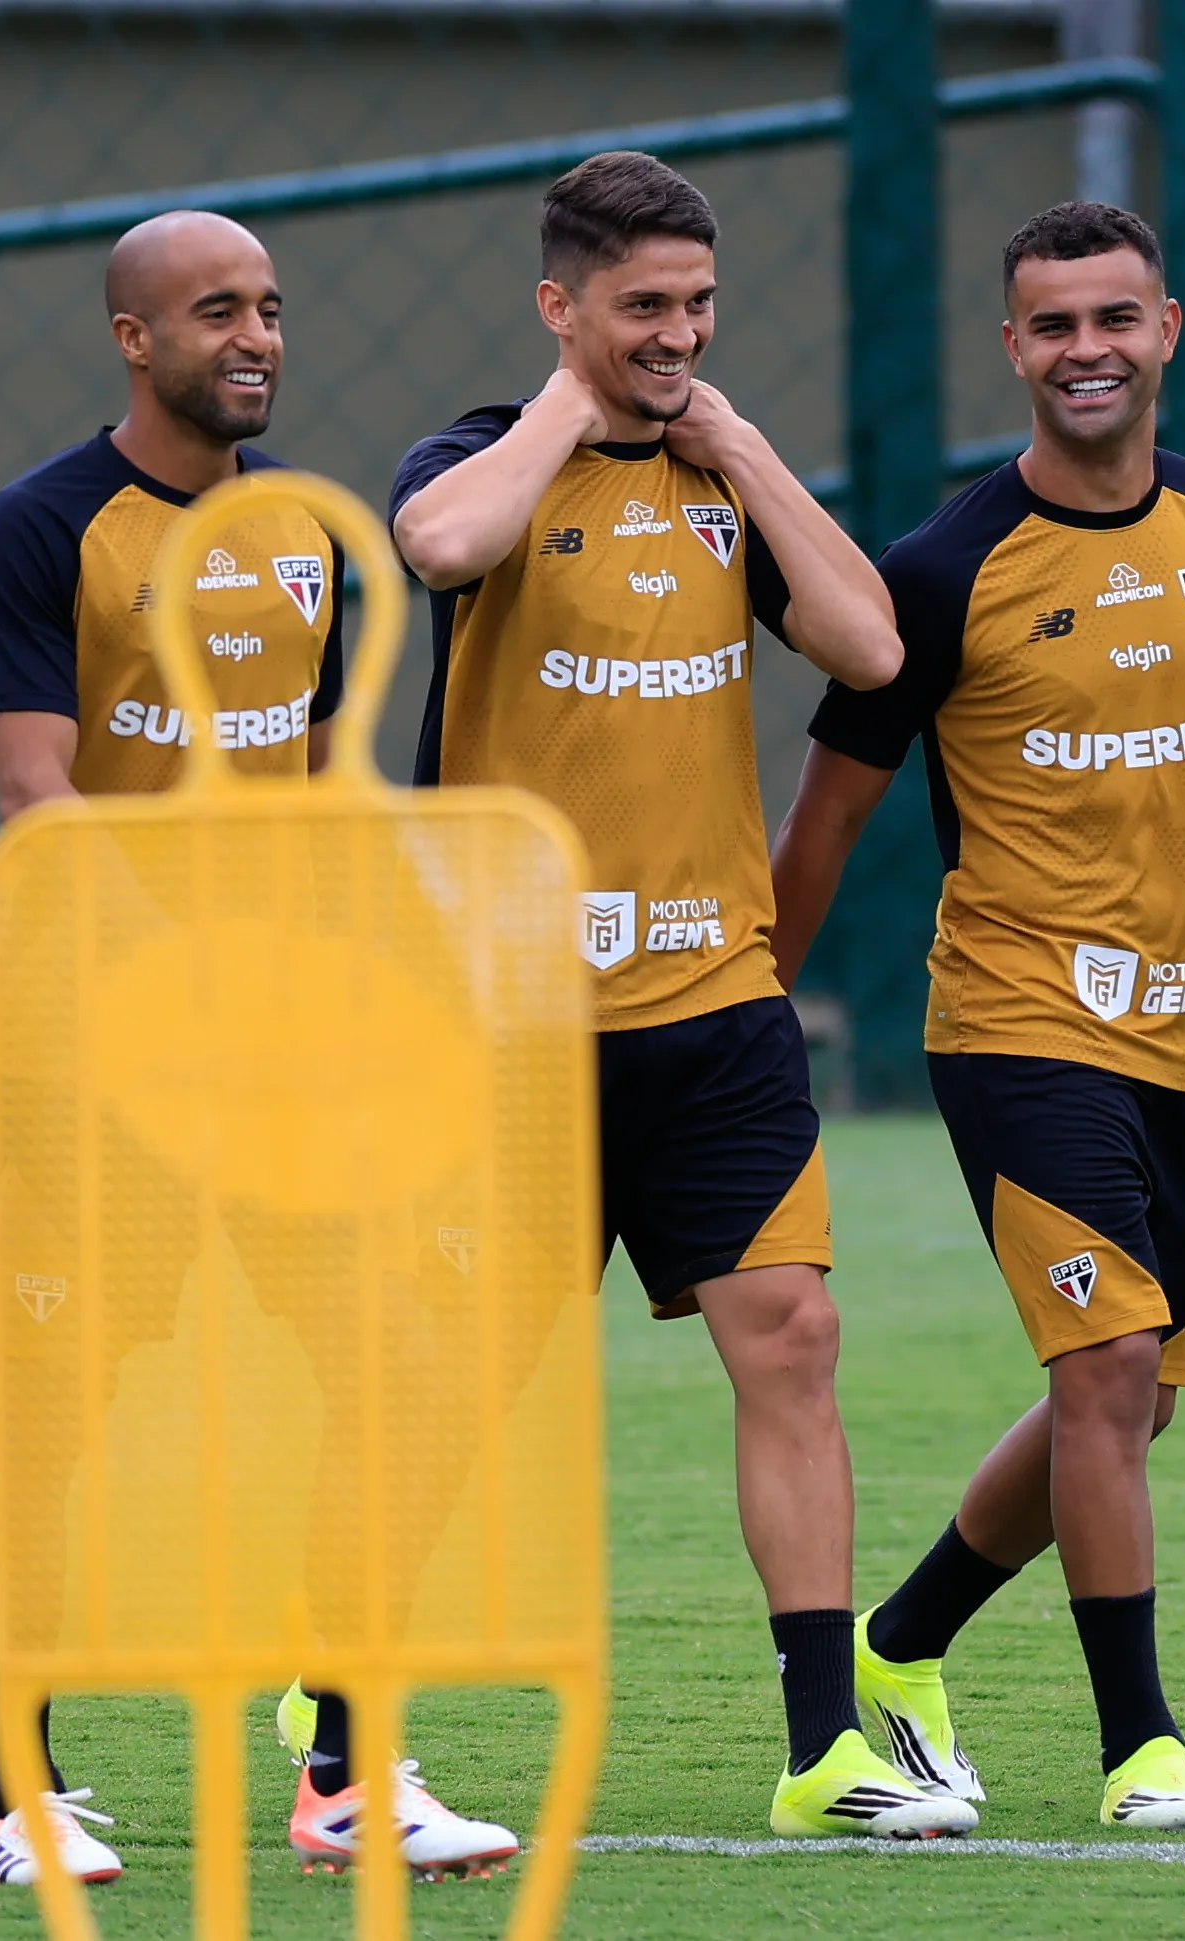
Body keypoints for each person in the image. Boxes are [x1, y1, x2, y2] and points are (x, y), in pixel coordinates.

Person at [379, 150, 972, 1840]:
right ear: (559, 304)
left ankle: (822, 1751)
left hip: (711, 1005)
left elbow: (868, 651)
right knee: (465, 1383)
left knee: (791, 1340)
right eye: (641, 306)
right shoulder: (484, 455)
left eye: (698, 305)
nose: (677, 334)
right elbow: (439, 543)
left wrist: (747, 451)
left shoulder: (728, 479)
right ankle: (348, 1706)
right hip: (508, 1022)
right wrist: (578, 410)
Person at [768, 201, 1185, 1828]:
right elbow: (824, 821)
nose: (1086, 350)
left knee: (1133, 1400)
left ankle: (902, 1647)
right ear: (1011, 349)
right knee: (1108, 1370)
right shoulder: (943, 569)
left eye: (1114, 319)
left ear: (1167, 329)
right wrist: (760, 999)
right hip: (1015, 1020)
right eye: (1052, 326)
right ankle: (1140, 1750)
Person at [0, 211, 517, 1886]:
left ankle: (348, 1770)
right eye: (218, 312)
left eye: (270, 307)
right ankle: (19, 1796)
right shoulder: (42, 528)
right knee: (62, 1411)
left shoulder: (302, 537)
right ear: (135, 338)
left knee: (399, 1368)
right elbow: (39, 799)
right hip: (106, 1049)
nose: (256, 336)